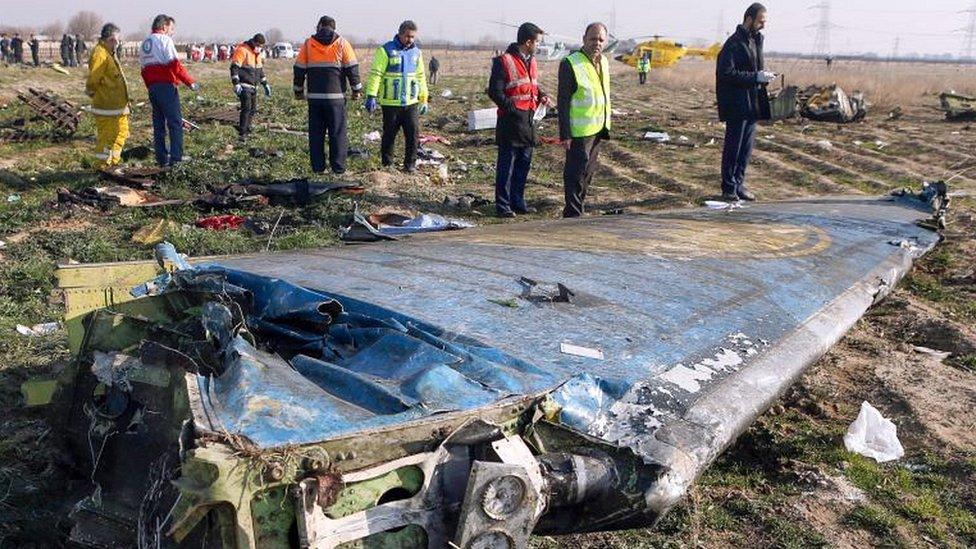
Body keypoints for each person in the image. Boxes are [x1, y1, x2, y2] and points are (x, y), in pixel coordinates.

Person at [487, 22, 552, 218]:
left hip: (529, 121)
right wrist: (512, 110)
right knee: (507, 167)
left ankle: (518, 201)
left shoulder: (532, 60)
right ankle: (503, 205)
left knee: (523, 164)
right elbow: (494, 91)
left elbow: (531, 85)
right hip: (511, 123)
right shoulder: (503, 61)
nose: (539, 46)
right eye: (537, 42)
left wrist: (542, 95)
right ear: (528, 41)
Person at [716, 3, 773, 202]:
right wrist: (754, 77)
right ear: (749, 19)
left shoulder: (756, 41)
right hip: (737, 104)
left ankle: (739, 183)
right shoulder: (733, 43)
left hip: (752, 103)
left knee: (746, 149)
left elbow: (753, 69)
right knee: (733, 146)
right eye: (760, 21)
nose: (763, 26)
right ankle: (728, 187)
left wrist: (762, 77)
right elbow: (726, 73)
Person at [294, 15, 362, 174]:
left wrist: (298, 91)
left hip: (315, 99)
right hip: (336, 99)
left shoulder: (308, 44)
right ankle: (338, 169)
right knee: (337, 133)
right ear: (333, 27)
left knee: (316, 135)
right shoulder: (342, 44)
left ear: (319, 26)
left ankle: (318, 169)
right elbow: (352, 69)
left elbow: (299, 69)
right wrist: (356, 90)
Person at [558, 22, 611, 218]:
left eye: (601, 39)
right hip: (578, 131)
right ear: (584, 39)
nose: (597, 43)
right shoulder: (570, 63)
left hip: (597, 128)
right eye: (593, 38)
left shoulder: (603, 62)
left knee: (588, 174)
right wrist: (565, 134)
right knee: (575, 174)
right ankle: (572, 214)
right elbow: (563, 102)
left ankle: (579, 208)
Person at [364, 20, 429, 173]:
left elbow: (421, 77)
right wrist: (371, 95)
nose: (410, 40)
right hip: (390, 103)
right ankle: (388, 165)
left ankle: (410, 165)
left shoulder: (416, 53)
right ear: (400, 34)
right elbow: (376, 74)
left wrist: (424, 98)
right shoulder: (385, 50)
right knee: (389, 135)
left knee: (413, 135)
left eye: (413, 37)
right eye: (407, 36)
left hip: (410, 103)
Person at [140, 14, 198, 167]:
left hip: (152, 87)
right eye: (171, 28)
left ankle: (161, 158)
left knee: (158, 123)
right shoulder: (165, 40)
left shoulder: (145, 43)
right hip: (166, 86)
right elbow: (174, 65)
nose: (172, 32)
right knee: (175, 123)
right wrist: (189, 82)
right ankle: (176, 158)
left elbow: (144, 70)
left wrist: (150, 87)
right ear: (164, 27)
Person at [86, 23, 130, 168]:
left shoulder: (109, 53)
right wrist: (94, 94)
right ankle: (102, 166)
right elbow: (93, 79)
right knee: (107, 137)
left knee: (122, 133)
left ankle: (113, 162)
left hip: (118, 106)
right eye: (116, 40)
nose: (118, 43)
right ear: (111, 39)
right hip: (107, 107)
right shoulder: (100, 54)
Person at [231, 33, 270, 140]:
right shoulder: (242, 50)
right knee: (246, 108)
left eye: (261, 46)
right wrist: (236, 83)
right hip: (244, 85)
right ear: (254, 42)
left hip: (254, 86)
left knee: (253, 109)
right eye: (259, 45)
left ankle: (247, 128)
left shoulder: (258, 54)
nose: (260, 48)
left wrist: (265, 84)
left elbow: (260, 71)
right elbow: (234, 67)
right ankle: (242, 133)